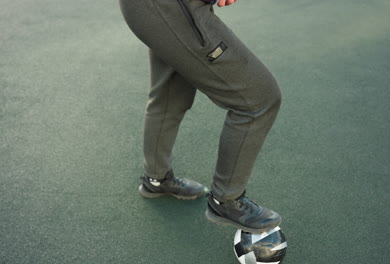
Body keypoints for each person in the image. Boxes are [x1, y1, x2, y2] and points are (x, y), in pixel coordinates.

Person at [119, 0, 282, 233]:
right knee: (259, 99)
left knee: (171, 94)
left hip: (154, 9)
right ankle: (226, 201)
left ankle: (156, 179)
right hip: (169, 6)